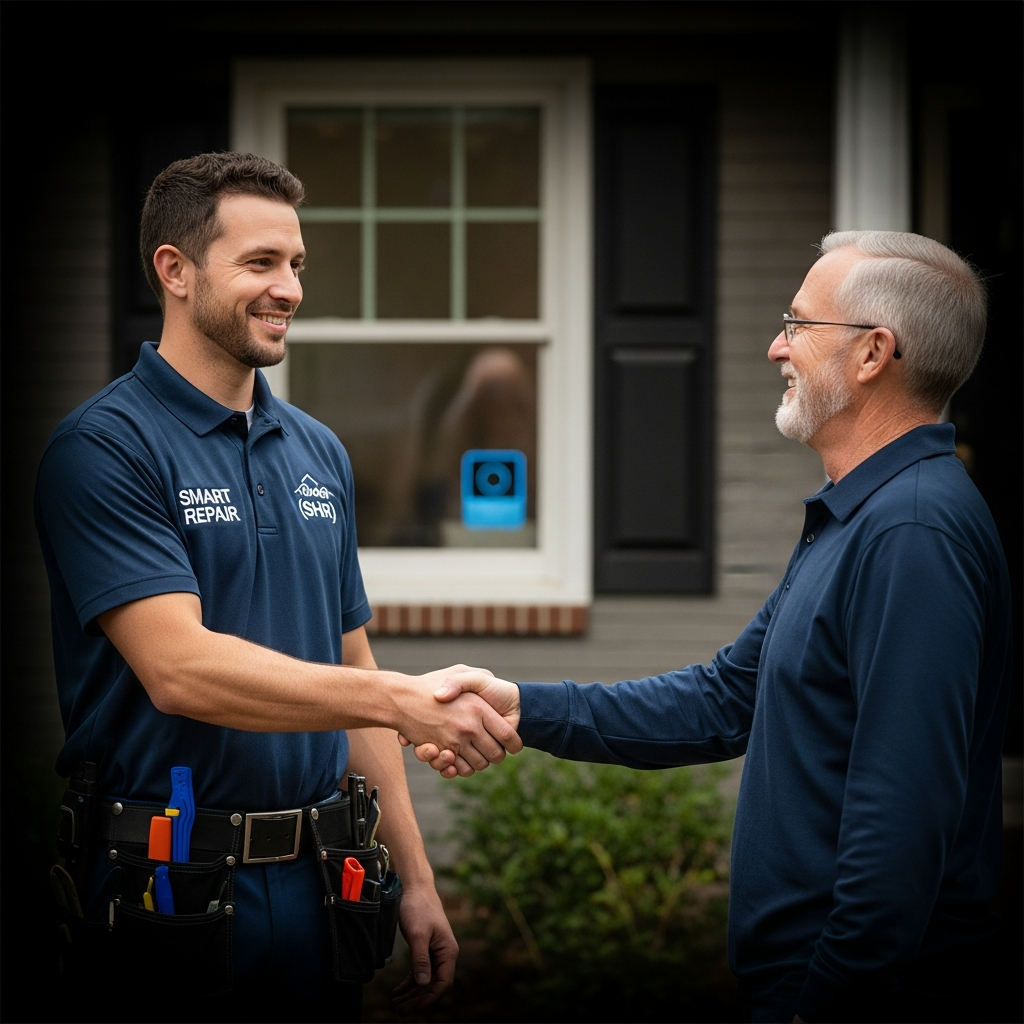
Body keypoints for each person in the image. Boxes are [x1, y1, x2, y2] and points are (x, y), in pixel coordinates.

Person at [412, 232, 1013, 1023]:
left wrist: (823, 1003)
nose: (776, 346)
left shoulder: (910, 534)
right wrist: (525, 706)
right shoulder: (859, 517)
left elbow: (901, 822)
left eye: (798, 325)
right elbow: (727, 698)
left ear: (874, 354)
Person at [34, 152, 520, 1022]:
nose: (289, 289)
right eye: (260, 263)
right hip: (164, 894)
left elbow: (350, 659)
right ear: (174, 272)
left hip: (321, 889)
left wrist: (414, 877)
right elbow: (180, 668)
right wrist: (402, 700)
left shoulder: (317, 451)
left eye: (296, 265)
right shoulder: (104, 450)